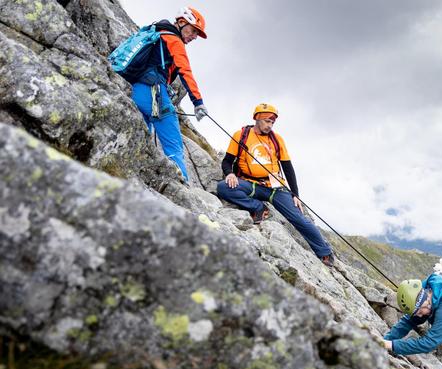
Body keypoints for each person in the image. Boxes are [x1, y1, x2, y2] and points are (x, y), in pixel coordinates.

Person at [216, 103, 335, 267]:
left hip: (275, 188)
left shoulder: (277, 140)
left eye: (272, 122)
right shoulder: (241, 135)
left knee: (298, 218)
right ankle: (258, 208)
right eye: (266, 121)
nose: (269, 125)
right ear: (257, 118)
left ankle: (325, 252)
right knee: (223, 188)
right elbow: (227, 161)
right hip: (250, 184)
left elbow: (288, 168)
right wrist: (229, 173)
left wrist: (295, 195)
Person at [127, 6, 208, 183]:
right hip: (154, 92)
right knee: (174, 144)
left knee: (141, 138)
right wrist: (198, 102)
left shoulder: (156, 32)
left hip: (135, 90)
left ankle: (133, 177)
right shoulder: (174, 39)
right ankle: (181, 188)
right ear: (181, 22)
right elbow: (185, 71)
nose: (194, 37)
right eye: (193, 31)